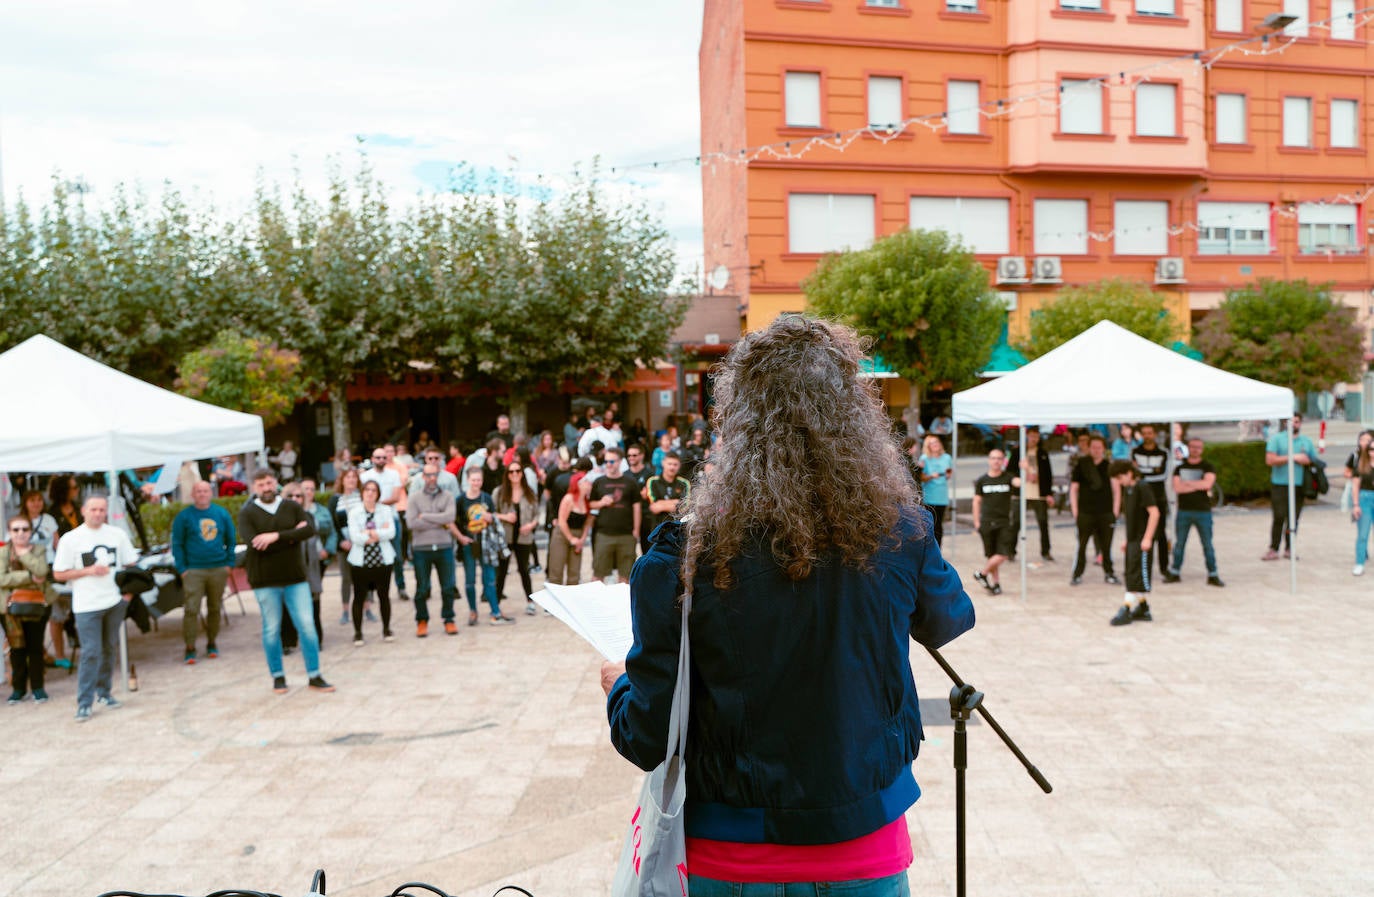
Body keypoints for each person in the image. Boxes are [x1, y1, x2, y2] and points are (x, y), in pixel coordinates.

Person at [601, 316, 975, 894]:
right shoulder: (900, 533)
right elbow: (950, 618)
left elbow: (645, 737)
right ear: (856, 418)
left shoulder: (683, 557)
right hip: (864, 851)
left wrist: (621, 686)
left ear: (737, 422)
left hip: (727, 859)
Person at [237, 471, 333, 694]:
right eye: (261, 484)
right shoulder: (247, 513)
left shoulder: (292, 506)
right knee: (271, 629)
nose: (266, 487)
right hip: (264, 580)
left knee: (307, 627)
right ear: (254, 487)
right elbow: (254, 544)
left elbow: (310, 530)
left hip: (296, 578)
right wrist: (291, 535)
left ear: (276, 483)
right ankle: (278, 677)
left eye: (269, 482)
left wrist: (274, 537)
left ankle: (314, 675)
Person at [52, 495, 140, 721]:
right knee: (91, 652)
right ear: (83, 511)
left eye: (102, 510)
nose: (98, 513)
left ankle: (104, 692)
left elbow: (132, 565)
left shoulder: (117, 535)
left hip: (113, 602)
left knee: (109, 648)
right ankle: (84, 702)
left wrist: (126, 596)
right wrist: (87, 571)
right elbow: (59, 573)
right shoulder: (71, 539)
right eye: (93, 509)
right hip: (86, 605)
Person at [170, 481, 235, 664]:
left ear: (211, 493)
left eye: (205, 490)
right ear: (193, 494)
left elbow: (231, 540)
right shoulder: (184, 517)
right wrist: (183, 569)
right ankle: (190, 647)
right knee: (191, 609)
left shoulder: (221, 514)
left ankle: (212, 643)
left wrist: (229, 564)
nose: (202, 494)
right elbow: (177, 545)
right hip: (194, 570)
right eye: (198, 491)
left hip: (218, 568)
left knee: (215, 608)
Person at [3, 513, 53, 704]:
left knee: (35, 647)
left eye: (25, 529)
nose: (21, 533)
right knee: (16, 649)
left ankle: (38, 688)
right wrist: (28, 577)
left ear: (30, 531)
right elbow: (1, 579)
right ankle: (18, 689)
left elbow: (42, 571)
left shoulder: (38, 549)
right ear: (10, 532)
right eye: (16, 530)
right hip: (10, 608)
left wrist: (24, 554)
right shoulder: (3, 552)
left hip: (36, 604)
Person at [282, 477, 334, 652]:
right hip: (287, 569)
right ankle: (288, 641)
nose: (296, 499)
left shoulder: (309, 517)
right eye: (291, 496)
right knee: (287, 607)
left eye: (299, 496)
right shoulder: (278, 519)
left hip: (310, 568)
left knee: (313, 606)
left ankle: (315, 641)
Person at [408, 463, 459, 636]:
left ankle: (449, 619)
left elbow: (450, 517)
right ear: (423, 477)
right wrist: (440, 521)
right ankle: (422, 620)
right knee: (422, 587)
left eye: (434, 475)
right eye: (428, 475)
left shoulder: (448, 496)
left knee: (447, 586)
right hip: (422, 549)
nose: (431, 478)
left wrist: (426, 517)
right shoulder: (414, 498)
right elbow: (412, 522)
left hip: (444, 546)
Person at [456, 466, 511, 625]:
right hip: (469, 543)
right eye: (473, 480)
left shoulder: (486, 498)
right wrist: (461, 537)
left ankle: (495, 609)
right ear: (468, 481)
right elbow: (456, 521)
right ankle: (473, 610)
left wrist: (491, 518)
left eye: (478, 480)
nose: (476, 483)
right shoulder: (461, 500)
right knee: (470, 580)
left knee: (489, 578)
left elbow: (494, 519)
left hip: (486, 543)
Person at [16, 490, 65, 670]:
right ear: (25, 502)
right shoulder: (19, 522)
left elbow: (56, 543)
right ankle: (40, 654)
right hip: (29, 571)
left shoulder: (49, 520)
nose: (36, 504)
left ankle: (59, 654)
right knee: (31, 613)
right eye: (32, 500)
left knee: (54, 612)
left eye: (38, 500)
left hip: (50, 567)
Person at [1108, 460, 1160, 627]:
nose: (1118, 481)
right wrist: (1127, 539)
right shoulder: (1128, 490)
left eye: (1119, 477)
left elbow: (1154, 513)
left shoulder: (1142, 487)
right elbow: (1132, 517)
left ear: (1129, 473)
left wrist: (1148, 538)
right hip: (1133, 539)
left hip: (1141, 540)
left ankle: (1126, 608)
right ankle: (1143, 608)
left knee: (1136, 576)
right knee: (1131, 574)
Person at [346, 479, 397, 646]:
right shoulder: (355, 512)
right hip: (361, 561)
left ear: (378, 493)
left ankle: (386, 629)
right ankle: (358, 632)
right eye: (367, 489)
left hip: (382, 559)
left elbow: (391, 533)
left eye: (374, 490)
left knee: (384, 595)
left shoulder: (385, 510)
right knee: (359, 596)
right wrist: (377, 532)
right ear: (362, 492)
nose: (370, 493)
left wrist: (369, 532)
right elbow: (355, 537)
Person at [1168, 437, 1225, 587]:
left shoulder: (1208, 466)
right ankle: (1175, 571)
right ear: (1188, 448)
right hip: (1184, 511)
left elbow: (1207, 484)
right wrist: (1197, 485)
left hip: (1203, 511)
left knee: (1207, 544)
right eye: (1193, 447)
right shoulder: (1179, 468)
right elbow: (1177, 488)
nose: (1195, 449)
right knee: (1179, 543)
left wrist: (1187, 483)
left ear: (1202, 449)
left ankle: (1213, 573)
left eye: (1198, 447)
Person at [1263, 413, 1316, 560]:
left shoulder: (1306, 441)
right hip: (1280, 484)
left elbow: (1313, 460)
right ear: (1286, 423)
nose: (1294, 424)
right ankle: (1273, 548)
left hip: (1299, 485)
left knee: (1294, 518)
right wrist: (1292, 457)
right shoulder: (1277, 439)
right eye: (1292, 422)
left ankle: (1289, 548)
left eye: (1297, 422)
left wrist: (1306, 460)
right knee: (1279, 516)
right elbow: (1270, 459)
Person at [1070, 435, 1121, 586]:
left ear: (1104, 449)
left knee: (1106, 546)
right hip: (1085, 512)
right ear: (1089, 448)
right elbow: (1074, 488)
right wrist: (1075, 510)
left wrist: (1115, 511)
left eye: (1099, 447)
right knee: (1082, 545)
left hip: (1105, 512)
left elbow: (1116, 490)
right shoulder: (1082, 464)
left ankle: (1109, 573)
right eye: (1093, 447)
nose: (1096, 450)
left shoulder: (1109, 466)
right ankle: (1077, 573)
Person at [588, 445, 641, 583]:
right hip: (604, 534)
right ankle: (595, 604)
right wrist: (601, 503)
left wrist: (636, 530)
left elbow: (637, 507)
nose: (608, 465)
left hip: (626, 534)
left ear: (620, 462)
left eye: (612, 461)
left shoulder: (630, 482)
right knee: (598, 574)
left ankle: (621, 604)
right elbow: (590, 504)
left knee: (625, 576)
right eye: (606, 461)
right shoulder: (599, 482)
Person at [493, 459, 539, 616]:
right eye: (511, 472)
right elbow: (491, 514)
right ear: (507, 474)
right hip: (505, 538)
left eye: (517, 471)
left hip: (523, 537)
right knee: (502, 571)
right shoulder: (499, 492)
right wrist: (505, 517)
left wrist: (531, 525)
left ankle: (530, 602)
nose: (514, 474)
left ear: (522, 473)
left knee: (524, 569)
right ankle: (496, 603)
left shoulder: (529, 492)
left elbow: (537, 515)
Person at [971, 448, 1020, 596]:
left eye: (999, 458)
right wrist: (976, 522)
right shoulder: (982, 480)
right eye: (993, 458)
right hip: (986, 522)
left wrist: (1026, 469)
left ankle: (982, 573)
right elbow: (976, 502)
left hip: (1003, 522)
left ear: (1003, 461)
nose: (996, 461)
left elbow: (1020, 482)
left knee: (1003, 553)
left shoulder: (1008, 478)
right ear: (989, 460)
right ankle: (996, 583)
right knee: (992, 555)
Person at [1131, 424, 1172, 578]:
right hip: (1140, 498)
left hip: (1158, 497)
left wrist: (1142, 473)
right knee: (1139, 532)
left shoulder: (1163, 452)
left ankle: (1164, 568)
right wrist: (1146, 473)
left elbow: (1163, 474)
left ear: (1154, 434)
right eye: (1144, 433)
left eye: (1150, 433)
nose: (1147, 436)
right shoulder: (1135, 451)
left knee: (1160, 534)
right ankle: (1140, 567)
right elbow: (1133, 474)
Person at [329, 467, 368, 626]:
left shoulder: (364, 497)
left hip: (362, 544)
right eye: (348, 477)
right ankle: (346, 610)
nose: (351, 480)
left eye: (354, 477)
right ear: (342, 480)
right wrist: (340, 541)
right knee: (346, 578)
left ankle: (367, 608)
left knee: (365, 577)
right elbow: (331, 523)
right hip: (344, 544)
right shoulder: (335, 499)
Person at [1011, 426, 1055, 561]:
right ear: (1027, 436)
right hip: (1021, 492)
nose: (1034, 439)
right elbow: (1010, 471)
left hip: (1038, 493)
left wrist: (1048, 493)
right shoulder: (1018, 452)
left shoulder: (1042, 453)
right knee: (1016, 522)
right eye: (1031, 436)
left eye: (1036, 436)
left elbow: (1048, 474)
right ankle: (1009, 550)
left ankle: (1045, 551)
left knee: (1043, 523)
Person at [548, 467, 592, 586]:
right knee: (556, 571)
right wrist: (571, 539)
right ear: (578, 484)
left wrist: (582, 539)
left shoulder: (587, 501)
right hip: (562, 535)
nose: (589, 484)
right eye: (586, 482)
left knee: (574, 575)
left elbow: (588, 522)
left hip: (578, 535)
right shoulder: (569, 498)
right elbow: (562, 521)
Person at [917, 433, 953, 546]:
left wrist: (948, 474)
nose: (935, 445)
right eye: (932, 443)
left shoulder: (947, 457)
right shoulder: (924, 458)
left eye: (936, 442)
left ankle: (939, 550)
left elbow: (949, 473)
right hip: (929, 496)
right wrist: (931, 476)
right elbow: (920, 477)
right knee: (929, 524)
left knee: (939, 525)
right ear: (928, 446)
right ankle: (929, 548)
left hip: (941, 495)